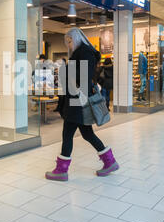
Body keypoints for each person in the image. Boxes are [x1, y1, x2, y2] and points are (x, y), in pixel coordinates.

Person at [45, 28, 119, 181]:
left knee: (68, 134)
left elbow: (83, 76)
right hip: (78, 99)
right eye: (67, 42)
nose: (69, 44)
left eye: (70, 41)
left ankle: (61, 170)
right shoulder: (83, 52)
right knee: (87, 133)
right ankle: (109, 161)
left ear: (77, 38)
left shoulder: (84, 52)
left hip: (77, 100)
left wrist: (64, 70)